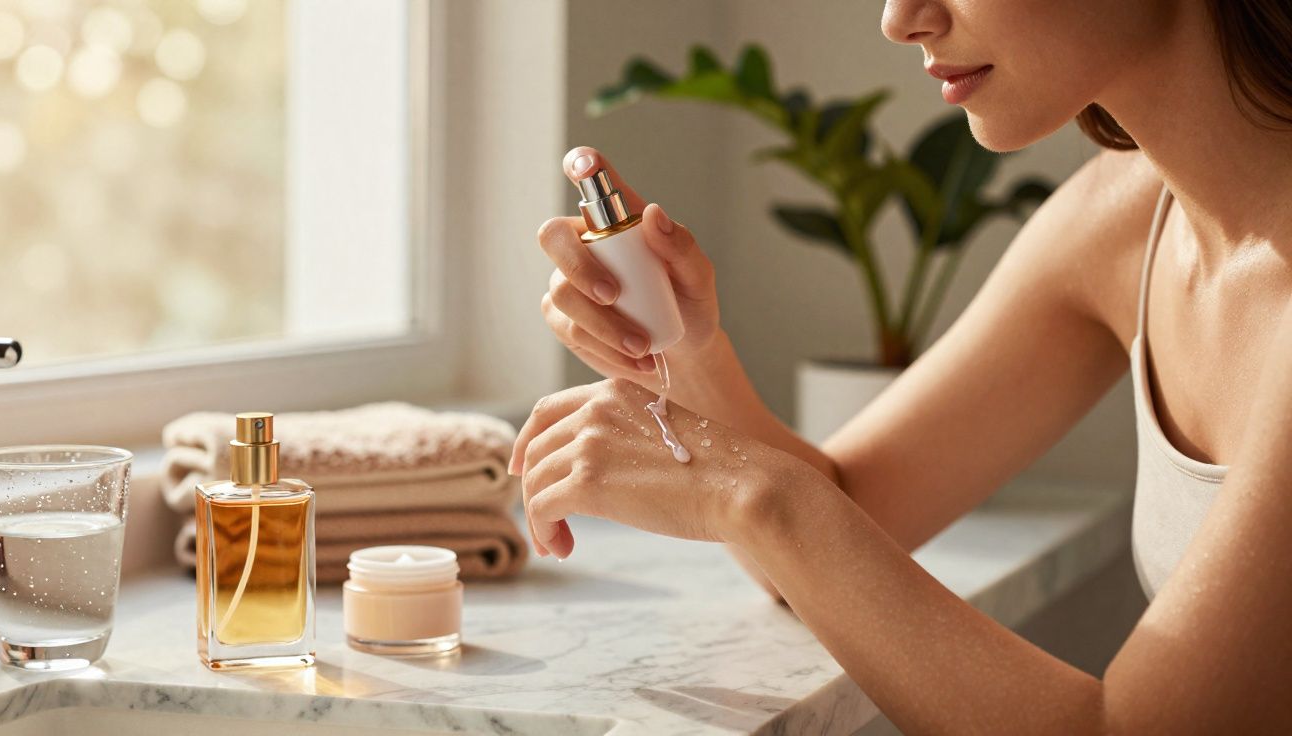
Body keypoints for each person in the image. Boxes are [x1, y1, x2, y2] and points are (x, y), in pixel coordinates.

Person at [510, 1, 1292, 731]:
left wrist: (750, 490)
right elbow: (845, 517)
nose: (900, 19)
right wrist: (681, 348)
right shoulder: (1128, 215)